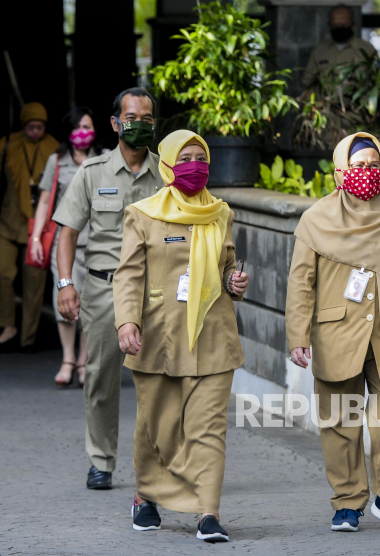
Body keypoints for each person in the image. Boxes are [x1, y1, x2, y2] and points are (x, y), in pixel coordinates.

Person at [285, 132, 380, 534]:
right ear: (339, 173)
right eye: (359, 166)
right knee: (340, 424)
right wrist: (297, 336)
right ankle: (348, 502)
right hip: (337, 336)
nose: (368, 173)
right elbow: (301, 283)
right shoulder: (315, 220)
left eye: (374, 165)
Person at [114, 130, 249, 543]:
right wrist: (127, 322)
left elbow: (225, 266)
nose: (195, 165)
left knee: (209, 426)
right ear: (169, 164)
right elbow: (129, 274)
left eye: (201, 157)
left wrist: (234, 280)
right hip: (160, 336)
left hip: (213, 336)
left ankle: (209, 513)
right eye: (185, 157)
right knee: (158, 425)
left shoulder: (221, 212)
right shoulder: (143, 213)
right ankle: (146, 498)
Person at [52, 87, 163, 490]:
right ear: (116, 123)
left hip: (155, 292)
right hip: (103, 289)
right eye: (132, 118)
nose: (140, 125)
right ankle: (101, 460)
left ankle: (158, 462)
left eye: (147, 119)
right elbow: (66, 232)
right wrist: (66, 283)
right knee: (100, 379)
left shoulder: (167, 173)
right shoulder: (93, 172)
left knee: (160, 378)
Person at [0, 102, 59, 352]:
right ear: (23, 125)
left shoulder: (55, 149)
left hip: (38, 225)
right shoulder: (6, 144)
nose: (35, 131)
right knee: (1, 272)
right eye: (31, 126)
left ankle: (28, 336)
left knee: (34, 281)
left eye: (40, 127)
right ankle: (8, 326)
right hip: (7, 222)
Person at [29, 107, 103, 387]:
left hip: (96, 244)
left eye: (87, 127)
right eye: (77, 128)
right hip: (64, 245)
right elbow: (45, 202)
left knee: (89, 306)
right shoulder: (56, 161)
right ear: (68, 133)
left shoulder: (106, 158)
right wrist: (36, 238)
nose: (83, 133)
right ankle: (67, 359)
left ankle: (84, 361)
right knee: (64, 300)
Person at [301, 5, 377, 89]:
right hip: (325, 101)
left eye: (343, 24)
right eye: (335, 25)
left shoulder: (367, 50)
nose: (339, 28)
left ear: (353, 25)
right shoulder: (320, 50)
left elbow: (379, 82)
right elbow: (308, 81)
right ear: (329, 25)